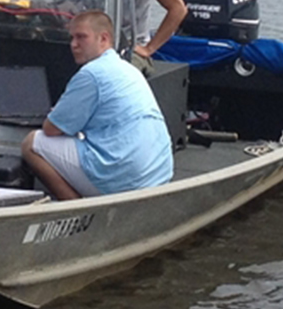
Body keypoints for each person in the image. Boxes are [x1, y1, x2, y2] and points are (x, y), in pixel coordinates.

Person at [21, 10, 174, 200]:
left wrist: (58, 116)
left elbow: (51, 129)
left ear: (103, 38)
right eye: (72, 38)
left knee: (32, 143)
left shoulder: (91, 74)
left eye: (81, 37)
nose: (73, 45)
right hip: (157, 175)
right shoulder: (129, 69)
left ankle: (77, 212)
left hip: (126, 178)